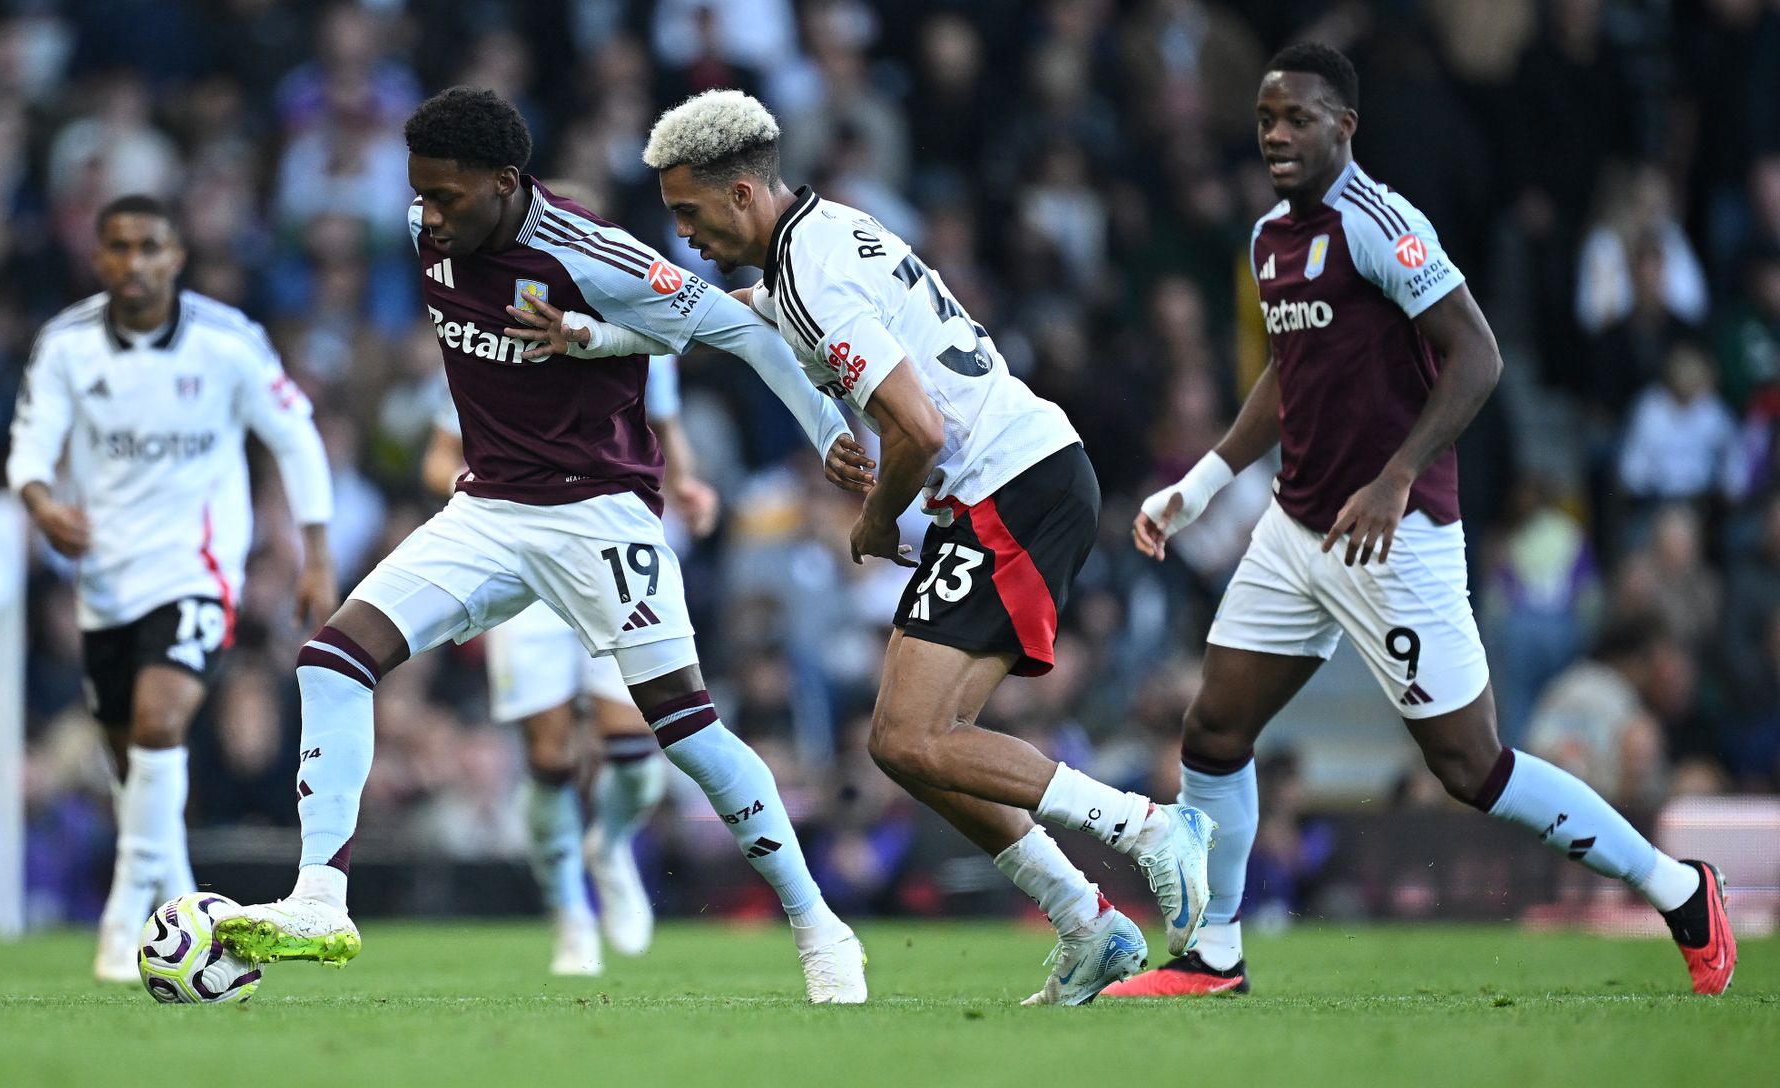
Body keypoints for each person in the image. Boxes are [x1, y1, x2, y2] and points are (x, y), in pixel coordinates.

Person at [545, 87, 1217, 1007]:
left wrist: (873, 518)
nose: (684, 234)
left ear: (741, 195)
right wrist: (593, 335)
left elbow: (921, 430)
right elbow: (721, 316)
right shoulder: (813, 243)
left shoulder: (814, 276)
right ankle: (1087, 922)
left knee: (915, 734)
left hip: (1009, 484)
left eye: (689, 212)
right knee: (906, 744)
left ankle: (1148, 828)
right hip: (1008, 483)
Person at [214, 87, 871, 1003]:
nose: (428, 216)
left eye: (447, 197)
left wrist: (827, 435)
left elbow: (741, 331)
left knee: (683, 730)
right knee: (331, 659)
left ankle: (817, 924)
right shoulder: (425, 227)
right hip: (487, 510)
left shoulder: (591, 253)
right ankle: (321, 899)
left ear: (505, 182)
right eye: (420, 194)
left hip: (598, 513)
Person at [1118, 43, 1735, 998]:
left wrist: (1398, 476)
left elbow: (1478, 356)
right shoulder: (1269, 238)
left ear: (1344, 126)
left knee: (1470, 766)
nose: (1277, 135)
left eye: (1298, 118)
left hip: (1392, 534)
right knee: (1214, 730)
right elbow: (1290, 371)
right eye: (1266, 120)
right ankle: (1213, 955)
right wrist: (1200, 483)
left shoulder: (1384, 223)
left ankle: (1678, 888)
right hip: (1296, 529)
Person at [6, 194, 336, 981]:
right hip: (106, 579)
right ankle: (184, 908)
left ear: (176, 256)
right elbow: (29, 446)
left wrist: (316, 553)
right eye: (117, 248)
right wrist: (43, 504)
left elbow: (296, 435)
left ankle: (124, 924)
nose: (134, 263)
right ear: (100, 259)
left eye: (150, 247)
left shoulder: (227, 342)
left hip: (198, 568)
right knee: (133, 765)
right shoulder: (66, 346)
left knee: (160, 723)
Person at [419, 355, 714, 975]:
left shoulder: (636, 329)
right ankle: (570, 917)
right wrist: (490, 497)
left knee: (634, 746)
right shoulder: (490, 337)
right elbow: (439, 456)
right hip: (525, 566)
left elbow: (665, 425)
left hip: (615, 557)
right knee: (549, 757)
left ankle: (608, 846)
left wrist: (686, 482)